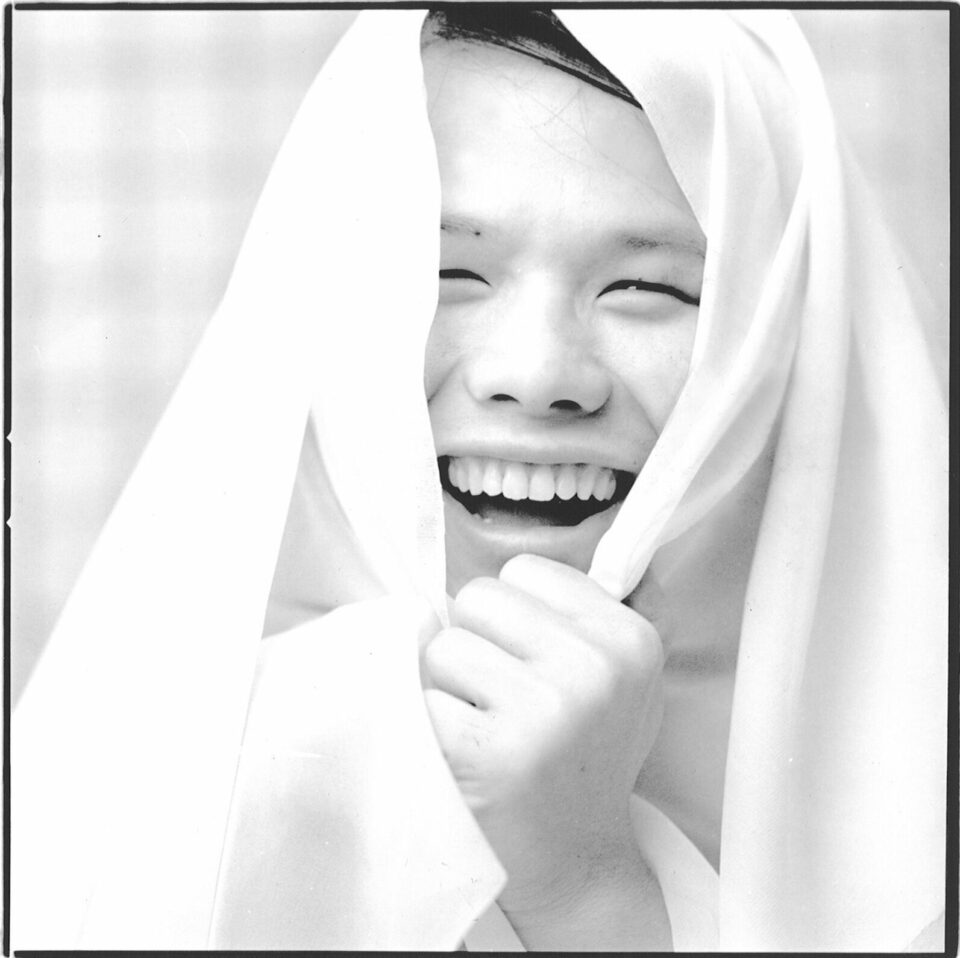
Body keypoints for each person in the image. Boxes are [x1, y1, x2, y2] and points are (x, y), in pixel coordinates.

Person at [13, 8, 947, 952]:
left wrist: (586, 889)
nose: (536, 375)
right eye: (444, 271)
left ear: (782, 331)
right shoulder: (157, 793)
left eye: (649, 288)